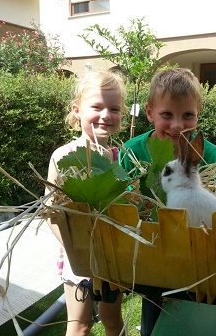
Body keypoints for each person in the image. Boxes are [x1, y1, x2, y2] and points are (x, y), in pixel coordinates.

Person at [119, 67, 216, 304]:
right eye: (167, 114)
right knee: (155, 305)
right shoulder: (132, 151)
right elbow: (124, 206)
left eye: (187, 115)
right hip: (150, 252)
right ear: (150, 113)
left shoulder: (208, 154)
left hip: (200, 254)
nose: (178, 125)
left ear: (198, 114)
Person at [46, 70, 126, 336]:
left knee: (112, 319)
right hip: (77, 256)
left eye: (114, 108)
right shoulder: (63, 156)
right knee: (79, 324)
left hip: (111, 255)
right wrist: (74, 247)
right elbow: (51, 213)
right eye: (97, 106)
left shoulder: (119, 157)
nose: (106, 115)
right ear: (77, 110)